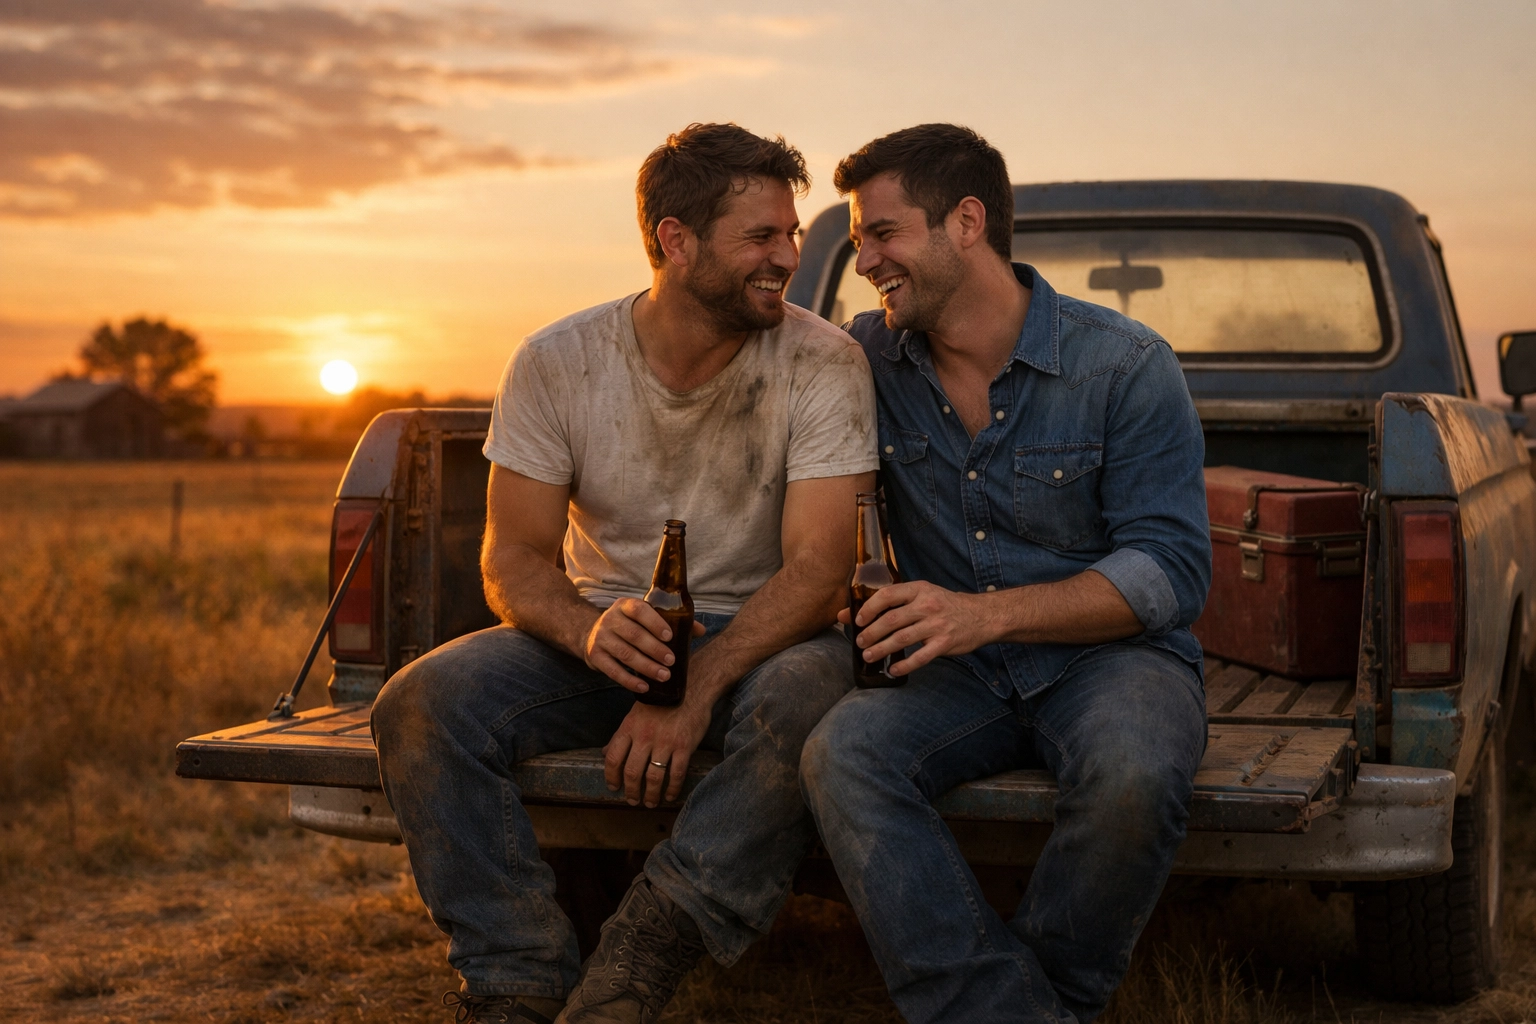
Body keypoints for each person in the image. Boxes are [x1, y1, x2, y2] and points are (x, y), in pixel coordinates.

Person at [372, 122, 878, 1024]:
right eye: (760, 237)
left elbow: (819, 568)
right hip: (607, 632)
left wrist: (692, 689)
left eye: (792, 233)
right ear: (673, 241)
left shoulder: (823, 361)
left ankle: (644, 953)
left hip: (765, 637)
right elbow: (514, 557)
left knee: (808, 694)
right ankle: (515, 981)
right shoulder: (557, 361)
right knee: (420, 703)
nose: (788, 257)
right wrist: (590, 631)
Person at [800, 124, 1212, 1024]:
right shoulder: (862, 360)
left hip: (1113, 659)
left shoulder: (1127, 367)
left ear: (967, 222)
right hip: (955, 674)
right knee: (845, 753)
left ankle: (1047, 996)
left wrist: (984, 616)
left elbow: (1171, 571)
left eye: (882, 232)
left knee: (1136, 770)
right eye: (860, 239)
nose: (864, 259)